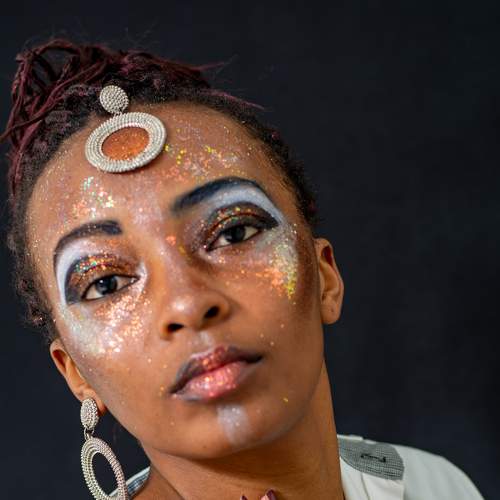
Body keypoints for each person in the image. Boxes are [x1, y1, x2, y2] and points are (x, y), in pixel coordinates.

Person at [0, 38, 484, 500]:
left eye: (232, 233)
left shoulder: (437, 486)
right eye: (105, 283)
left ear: (325, 277)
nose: (188, 303)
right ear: (75, 372)